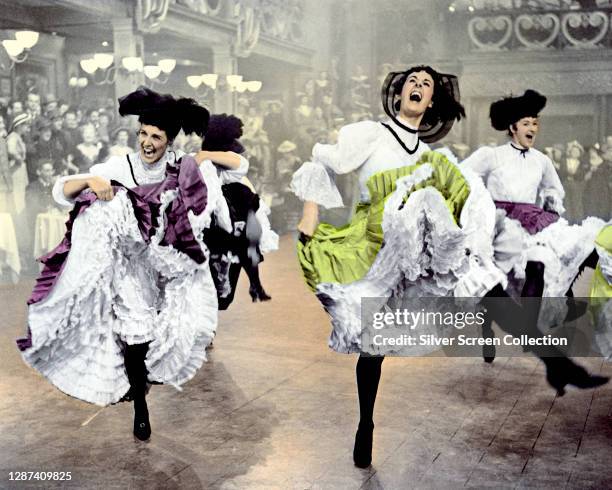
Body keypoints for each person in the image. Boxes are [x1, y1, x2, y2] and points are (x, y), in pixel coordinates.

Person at [16, 87, 244, 442]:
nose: (147, 143)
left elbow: (229, 176)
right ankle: (140, 406)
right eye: (143, 134)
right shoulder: (119, 164)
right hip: (131, 265)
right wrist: (92, 180)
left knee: (173, 335)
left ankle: (144, 378)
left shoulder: (182, 166)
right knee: (136, 335)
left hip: (172, 264)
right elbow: (62, 190)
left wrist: (202, 166)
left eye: (156, 136)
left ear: (169, 142)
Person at [202, 114, 278, 308]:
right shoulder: (212, 168)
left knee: (242, 248)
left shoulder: (234, 164)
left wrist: (203, 155)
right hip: (220, 218)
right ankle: (250, 285)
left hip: (236, 215)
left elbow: (233, 161)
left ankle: (252, 285)